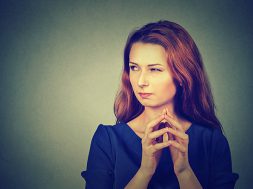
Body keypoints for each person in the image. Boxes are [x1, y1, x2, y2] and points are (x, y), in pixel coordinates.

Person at [81, 20, 239, 189]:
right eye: (134, 68)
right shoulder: (108, 140)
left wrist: (184, 172)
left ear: (182, 75)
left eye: (154, 69)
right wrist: (145, 171)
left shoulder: (212, 141)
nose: (141, 81)